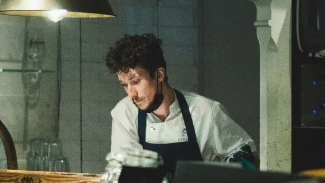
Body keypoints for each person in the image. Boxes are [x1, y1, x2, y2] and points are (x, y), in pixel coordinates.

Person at [105, 33, 257, 175]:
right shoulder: (124, 113)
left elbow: (247, 158)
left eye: (136, 82)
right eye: (124, 85)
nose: (131, 94)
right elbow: (125, 171)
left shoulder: (205, 111)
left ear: (159, 75)